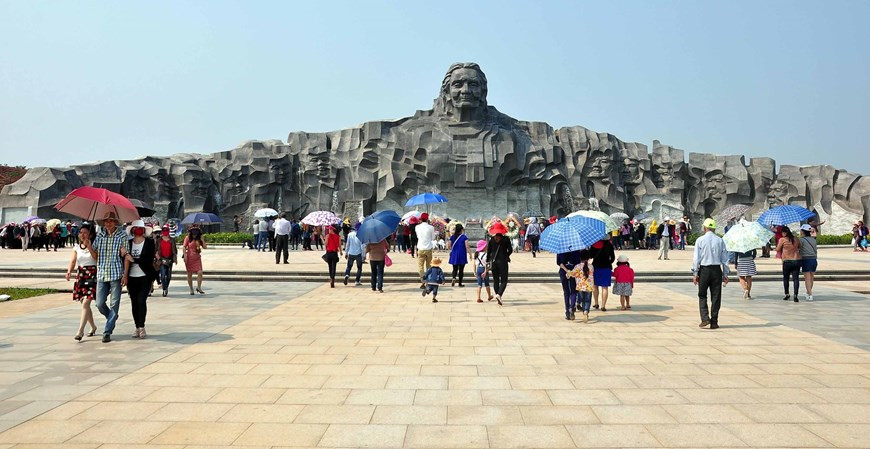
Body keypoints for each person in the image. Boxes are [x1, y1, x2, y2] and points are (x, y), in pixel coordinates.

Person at [93, 211, 128, 343]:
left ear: (115, 222)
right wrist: (88, 245)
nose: (108, 223)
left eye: (111, 221)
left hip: (116, 273)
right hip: (102, 273)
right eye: (106, 220)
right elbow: (94, 254)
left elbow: (127, 255)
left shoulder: (122, 235)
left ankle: (107, 331)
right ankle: (112, 317)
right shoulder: (100, 235)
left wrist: (125, 273)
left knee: (114, 303)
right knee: (99, 303)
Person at [692, 218, 730, 329]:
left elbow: (696, 259)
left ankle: (705, 318)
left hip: (704, 270)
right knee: (716, 296)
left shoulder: (700, 240)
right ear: (714, 228)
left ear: (704, 228)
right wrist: (725, 274)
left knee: (702, 295)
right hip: (716, 270)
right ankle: (714, 322)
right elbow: (725, 259)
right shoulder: (720, 240)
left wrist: (695, 273)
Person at [123, 220, 157, 339]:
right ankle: (137, 326)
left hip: (145, 276)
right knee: (134, 303)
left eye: (140, 228)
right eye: (135, 228)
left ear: (143, 230)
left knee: (141, 301)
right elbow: (125, 259)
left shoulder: (149, 242)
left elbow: (149, 259)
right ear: (132, 230)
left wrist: (134, 259)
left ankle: (142, 326)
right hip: (132, 277)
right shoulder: (129, 243)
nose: (137, 230)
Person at [65, 222, 98, 341]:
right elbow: (73, 261)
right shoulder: (77, 247)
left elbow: (96, 258)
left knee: (86, 303)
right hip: (81, 274)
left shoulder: (95, 244)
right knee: (84, 304)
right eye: (81, 232)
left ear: (90, 234)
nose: (83, 235)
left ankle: (80, 331)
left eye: (85, 233)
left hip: (92, 274)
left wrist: (89, 246)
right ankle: (93, 326)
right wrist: (69, 271)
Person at [486, 223, 513, 306]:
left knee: (496, 280)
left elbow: (488, 252)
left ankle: (498, 294)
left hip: (493, 262)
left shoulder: (491, 240)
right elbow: (510, 250)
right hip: (503, 262)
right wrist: (506, 255)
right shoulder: (506, 239)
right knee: (504, 280)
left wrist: (487, 262)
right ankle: (499, 294)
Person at [776, 226, 802, 302]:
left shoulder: (782, 239)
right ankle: (795, 295)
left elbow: (777, 249)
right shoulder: (796, 239)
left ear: (784, 233)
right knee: (796, 278)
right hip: (796, 260)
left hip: (787, 261)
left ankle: (787, 294)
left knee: (786, 278)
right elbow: (799, 247)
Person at [589, 238, 615, 311]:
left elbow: (590, 256)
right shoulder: (609, 245)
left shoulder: (594, 244)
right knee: (605, 287)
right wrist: (608, 261)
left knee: (595, 286)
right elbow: (612, 258)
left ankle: (596, 303)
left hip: (596, 267)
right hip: (606, 268)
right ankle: (603, 305)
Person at [557, 249, 583, 320]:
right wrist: (571, 271)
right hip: (573, 271)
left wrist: (567, 271)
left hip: (563, 271)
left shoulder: (561, 249)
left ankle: (567, 311)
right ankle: (572, 307)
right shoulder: (576, 249)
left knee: (566, 292)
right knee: (573, 291)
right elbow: (577, 263)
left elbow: (559, 263)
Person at [183, 224, 207, 295]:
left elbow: (205, 247)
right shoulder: (187, 238)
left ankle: (199, 287)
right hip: (189, 257)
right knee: (189, 273)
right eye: (193, 230)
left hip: (197, 257)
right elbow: (184, 247)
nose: (194, 232)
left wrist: (202, 240)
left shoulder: (199, 238)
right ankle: (191, 288)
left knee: (200, 272)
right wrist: (185, 256)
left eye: (196, 230)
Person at [569, 250, 593, 323]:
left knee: (583, 300)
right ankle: (586, 311)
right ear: (589, 258)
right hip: (589, 287)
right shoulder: (591, 266)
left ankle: (584, 310)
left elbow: (572, 274)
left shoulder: (577, 266)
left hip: (580, 287)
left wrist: (568, 273)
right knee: (588, 300)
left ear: (580, 257)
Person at [415, 213, 436, 287]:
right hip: (428, 248)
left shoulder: (417, 227)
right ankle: (428, 280)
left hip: (420, 247)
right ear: (427, 219)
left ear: (421, 219)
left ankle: (423, 279)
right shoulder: (431, 227)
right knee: (429, 265)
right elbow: (433, 238)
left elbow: (418, 236)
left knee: (420, 265)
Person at [799, 224, 818, 301]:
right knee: (811, 277)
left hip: (806, 259)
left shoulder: (802, 240)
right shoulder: (813, 239)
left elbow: (799, 248)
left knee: (807, 278)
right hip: (814, 259)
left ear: (803, 231)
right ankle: (808, 292)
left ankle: (810, 294)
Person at [157, 224, 177, 297]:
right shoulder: (159, 240)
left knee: (168, 276)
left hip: (170, 259)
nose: (165, 232)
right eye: (164, 230)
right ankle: (164, 289)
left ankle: (166, 287)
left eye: (166, 230)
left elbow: (175, 250)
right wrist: (157, 255)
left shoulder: (172, 240)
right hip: (161, 259)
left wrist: (174, 257)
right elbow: (156, 249)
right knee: (162, 275)